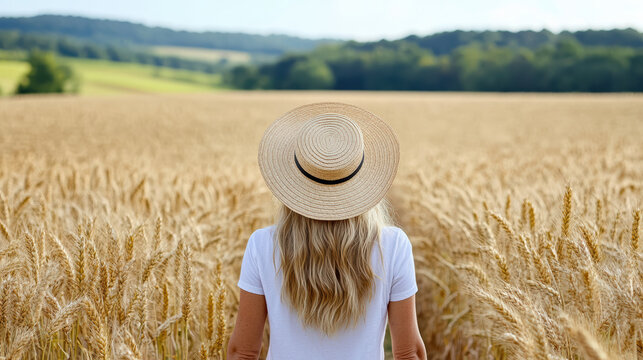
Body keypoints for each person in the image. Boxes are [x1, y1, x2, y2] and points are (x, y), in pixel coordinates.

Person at [227, 102, 426, 360]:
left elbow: (242, 351)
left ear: (293, 182)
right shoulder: (393, 245)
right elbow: (409, 352)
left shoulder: (262, 245)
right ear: (363, 180)